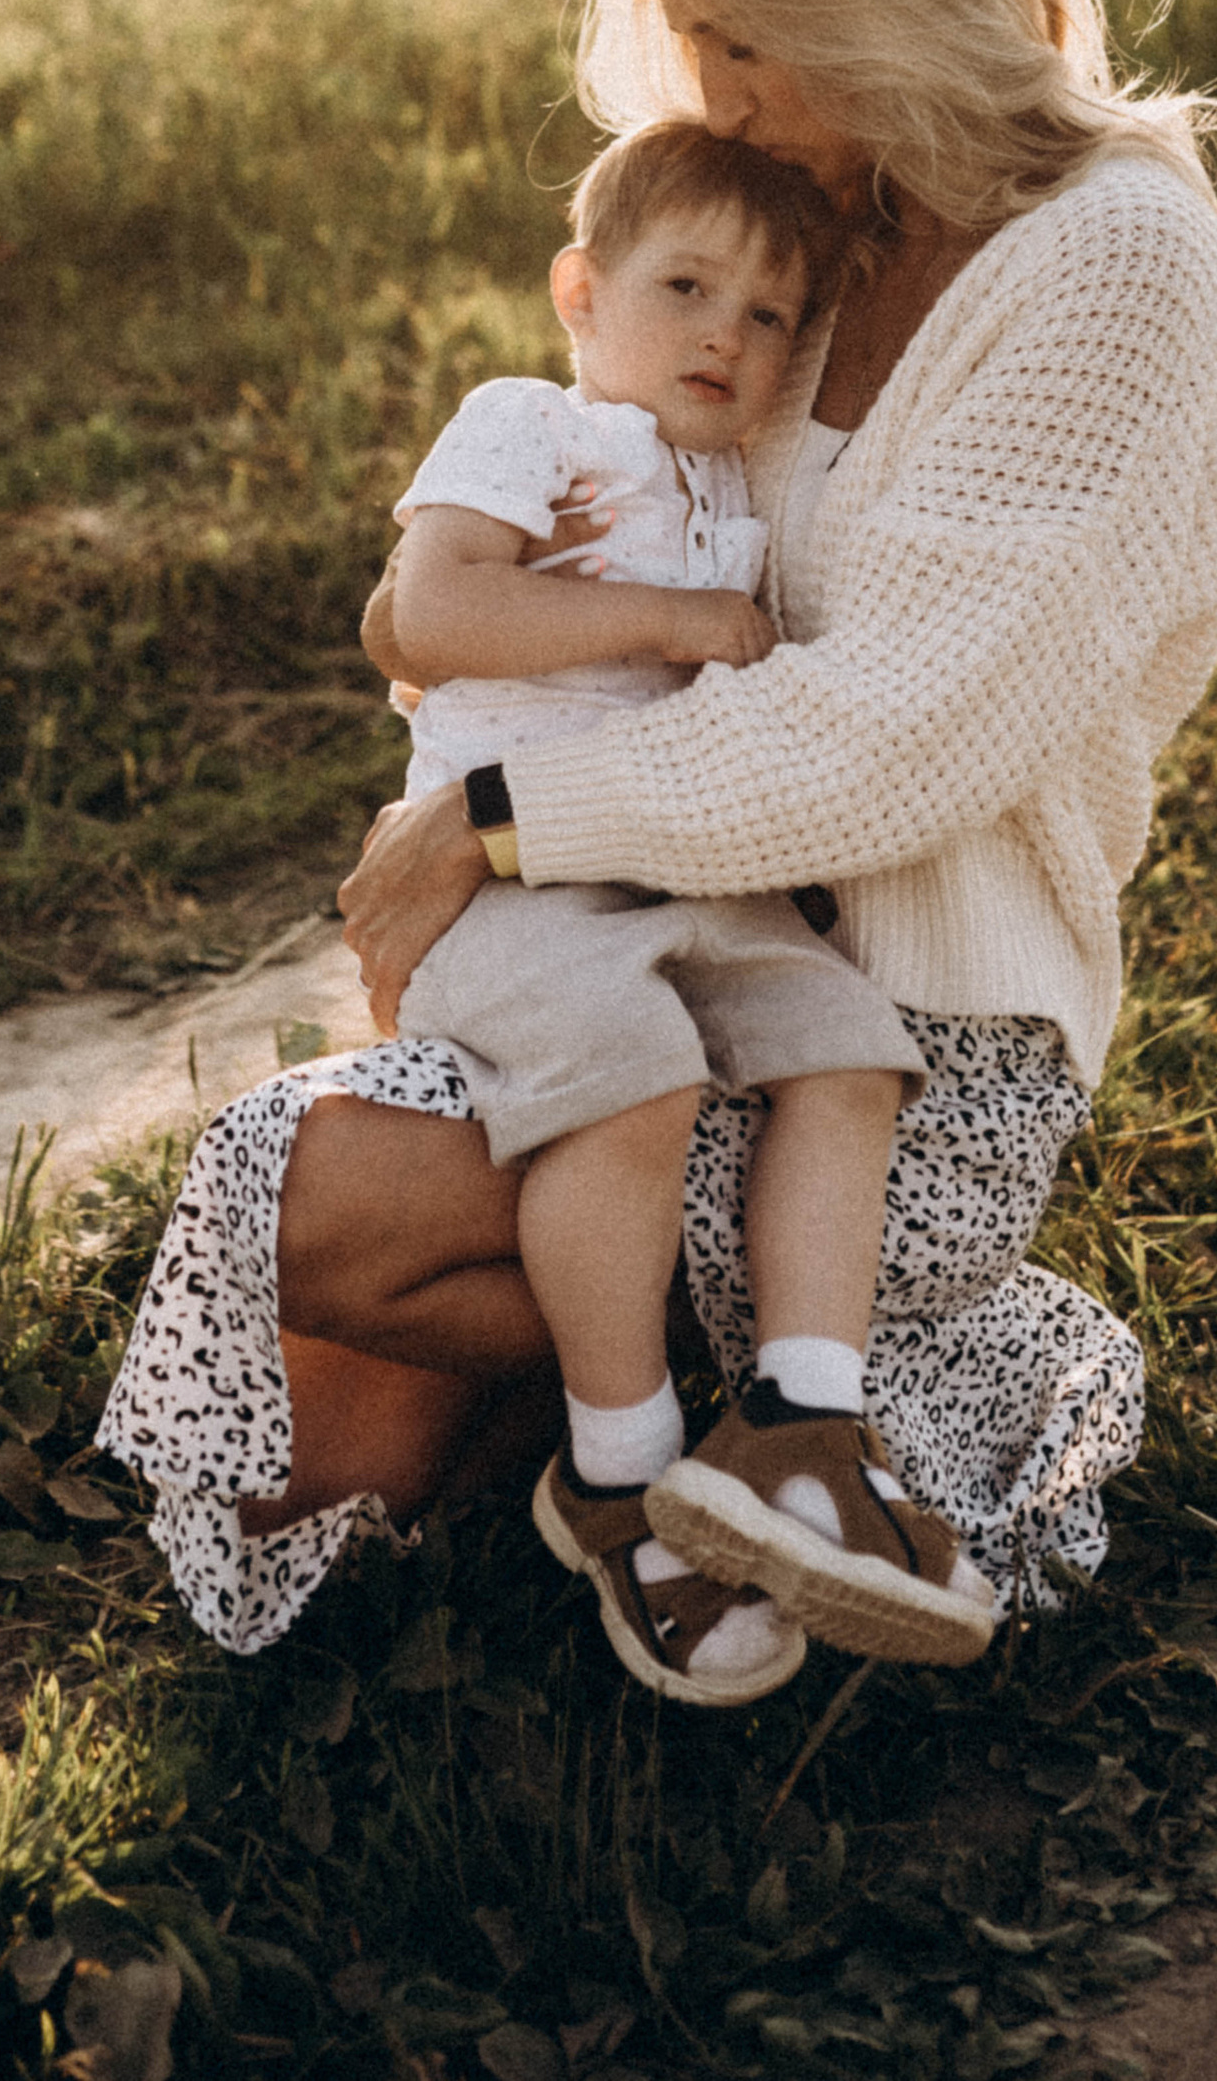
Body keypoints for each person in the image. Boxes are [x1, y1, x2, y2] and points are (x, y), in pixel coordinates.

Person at [97, 0, 1217, 1678]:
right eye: (698, 48)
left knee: (352, 1210)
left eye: (751, 45)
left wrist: (501, 823)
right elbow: (574, 521)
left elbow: (890, 737)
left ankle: (810, 1405)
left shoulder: (1112, 256)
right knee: (297, 1239)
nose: (719, 101)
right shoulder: (815, 231)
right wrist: (442, 610)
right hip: (668, 937)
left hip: (909, 1045)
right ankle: (687, 1431)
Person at [381, 113, 995, 1702]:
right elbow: (430, 611)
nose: (727, 332)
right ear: (581, 291)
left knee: (850, 1053)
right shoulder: (530, 422)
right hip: (517, 891)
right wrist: (674, 617)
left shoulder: (739, 482)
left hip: (690, 873)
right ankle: (617, 1464)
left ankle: (800, 1421)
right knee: (637, 1080)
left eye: (772, 314)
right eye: (686, 286)